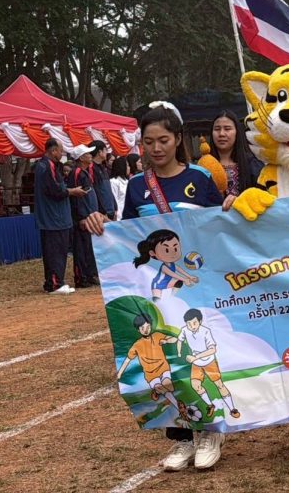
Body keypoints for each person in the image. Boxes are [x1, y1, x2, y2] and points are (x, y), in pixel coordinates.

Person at [99, 103, 224, 470]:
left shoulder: (201, 178)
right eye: (149, 141)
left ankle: (211, 432)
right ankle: (181, 438)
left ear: (178, 139)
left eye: (164, 140)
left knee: (198, 357)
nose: (156, 148)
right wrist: (99, 225)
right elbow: (126, 237)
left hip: (198, 289)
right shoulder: (138, 186)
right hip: (158, 293)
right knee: (169, 362)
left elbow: (220, 229)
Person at [33, 139, 89, 294]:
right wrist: (72, 191)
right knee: (55, 251)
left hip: (55, 218)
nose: (62, 153)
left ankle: (54, 281)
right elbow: (55, 190)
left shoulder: (47, 166)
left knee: (57, 250)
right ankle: (55, 283)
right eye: (60, 150)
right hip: (53, 218)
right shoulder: (46, 166)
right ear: (53, 151)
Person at [208, 111, 263, 211]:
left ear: (237, 132)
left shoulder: (252, 164)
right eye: (217, 129)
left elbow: (263, 196)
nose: (221, 134)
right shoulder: (204, 167)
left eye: (227, 129)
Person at [66, 145, 103, 288]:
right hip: (83, 217)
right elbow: (76, 197)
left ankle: (90, 274)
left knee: (90, 247)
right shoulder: (76, 173)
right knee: (81, 248)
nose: (91, 155)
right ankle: (81, 277)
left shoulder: (85, 172)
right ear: (81, 158)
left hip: (91, 215)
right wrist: (81, 217)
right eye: (88, 153)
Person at [90, 140, 117, 221]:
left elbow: (108, 189)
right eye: (105, 150)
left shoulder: (103, 168)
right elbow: (95, 191)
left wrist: (115, 207)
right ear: (100, 152)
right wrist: (102, 211)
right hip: (102, 214)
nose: (107, 153)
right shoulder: (91, 168)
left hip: (111, 211)